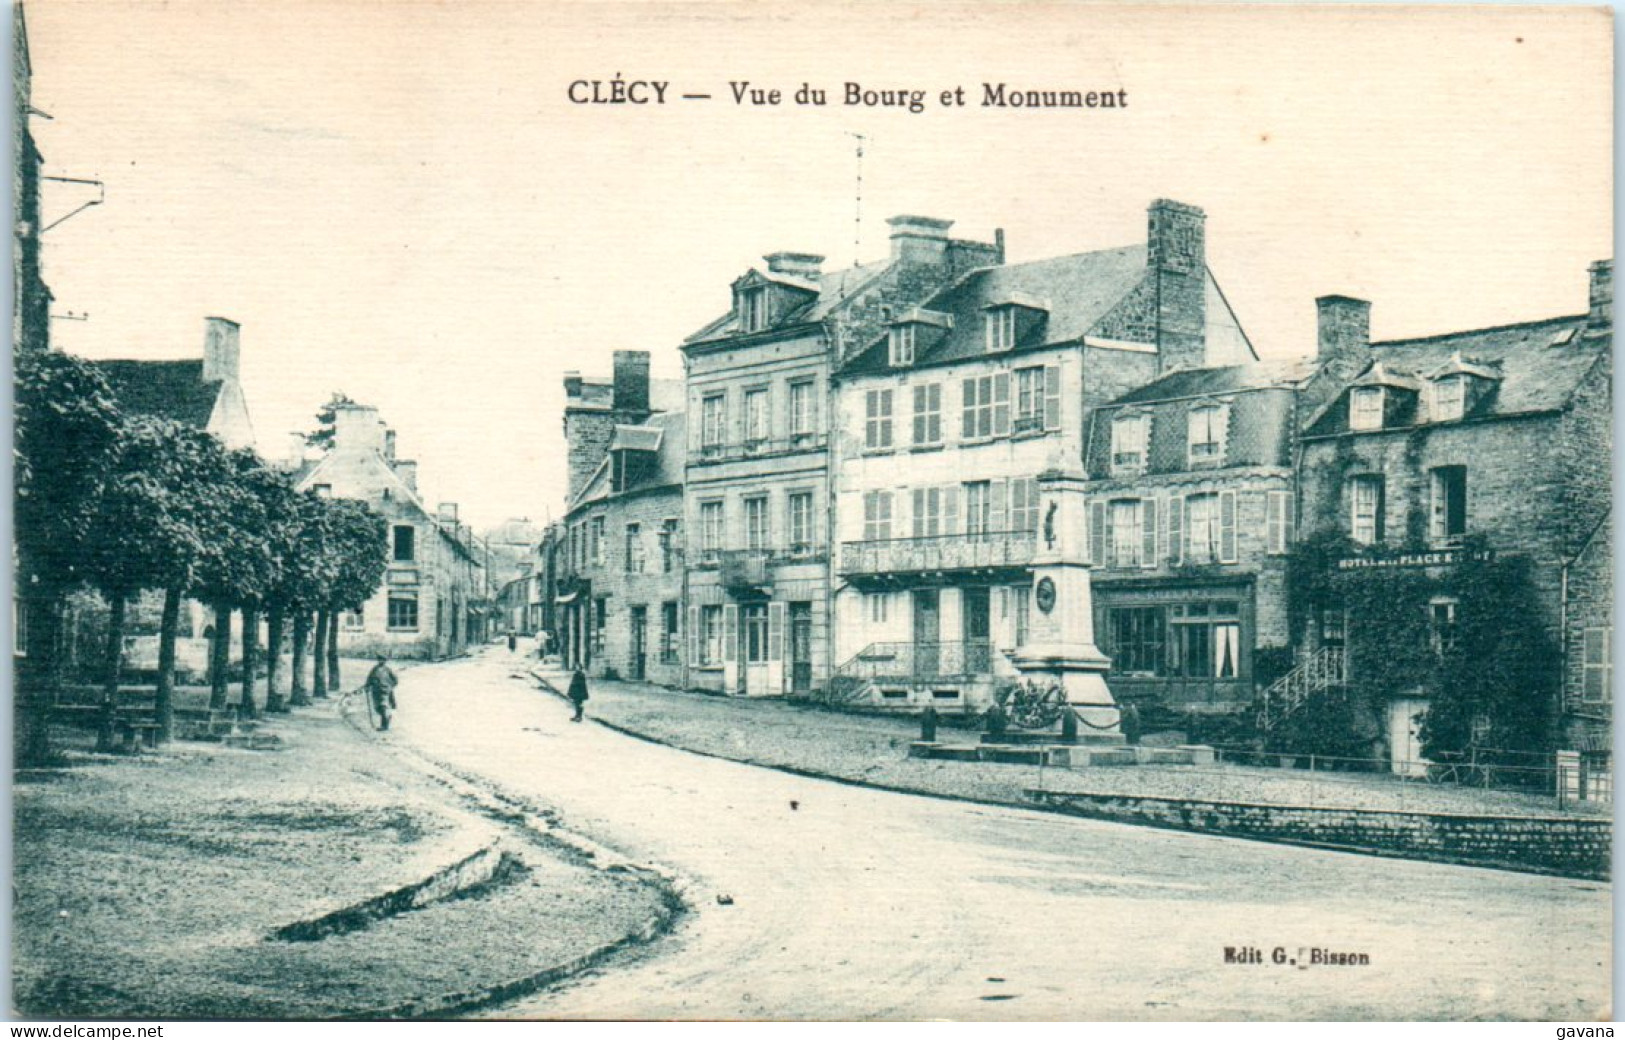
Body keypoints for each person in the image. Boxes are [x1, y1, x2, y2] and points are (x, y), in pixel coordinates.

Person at [365, 656, 399, 731]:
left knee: (383, 707)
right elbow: (369, 679)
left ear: (385, 661)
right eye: (380, 660)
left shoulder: (388, 670)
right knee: (377, 708)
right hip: (376, 691)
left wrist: (390, 686)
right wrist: (367, 686)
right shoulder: (374, 669)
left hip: (385, 691)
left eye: (383, 660)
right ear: (378, 660)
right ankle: (387, 717)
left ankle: (384, 726)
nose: (381, 661)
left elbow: (395, 680)